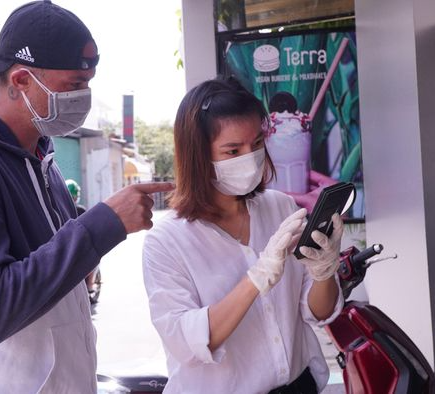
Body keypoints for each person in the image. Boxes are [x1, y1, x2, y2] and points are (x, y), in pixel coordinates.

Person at [0, 2, 173, 392]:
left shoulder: (41, 158)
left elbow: (49, 272)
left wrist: (82, 264)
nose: (84, 96)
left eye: (88, 83)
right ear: (20, 80)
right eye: (74, 86)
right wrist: (103, 225)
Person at [142, 77, 343, 393]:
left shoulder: (281, 207)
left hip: (298, 384)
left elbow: (317, 311)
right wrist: (258, 276)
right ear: (198, 156)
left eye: (258, 143)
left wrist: (323, 270)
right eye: (232, 150)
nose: (250, 157)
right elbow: (187, 342)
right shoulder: (166, 241)